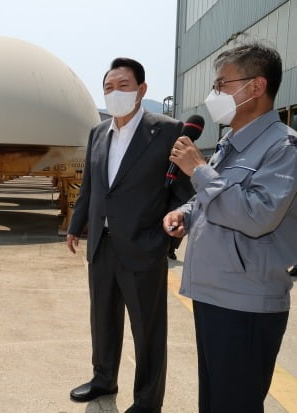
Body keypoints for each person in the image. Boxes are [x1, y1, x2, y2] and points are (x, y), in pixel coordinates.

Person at [163, 42, 297, 413]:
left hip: (247, 303)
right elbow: (213, 197)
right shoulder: (230, 144)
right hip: (214, 293)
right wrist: (185, 215)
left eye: (222, 85)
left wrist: (198, 170)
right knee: (216, 402)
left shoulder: (283, 148)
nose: (214, 95)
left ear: (256, 86)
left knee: (234, 404)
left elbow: (257, 215)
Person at [67, 57, 193, 413]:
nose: (115, 93)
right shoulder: (98, 132)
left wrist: (167, 240)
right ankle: (103, 379)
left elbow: (181, 192)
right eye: (108, 88)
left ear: (142, 90)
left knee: (148, 331)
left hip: (144, 246)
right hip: (103, 246)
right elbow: (90, 188)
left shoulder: (168, 130)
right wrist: (76, 225)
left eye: (123, 86)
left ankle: (147, 402)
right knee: (103, 320)